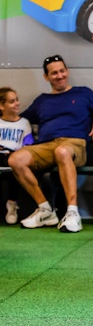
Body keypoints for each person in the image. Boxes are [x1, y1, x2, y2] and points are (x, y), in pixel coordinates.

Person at [8, 55, 93, 233]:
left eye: (62, 71)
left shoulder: (83, 93)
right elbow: (19, 120)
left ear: (67, 71)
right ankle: (45, 209)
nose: (59, 76)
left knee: (62, 151)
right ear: (46, 77)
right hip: (46, 146)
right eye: (54, 73)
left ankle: (72, 213)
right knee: (16, 160)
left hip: (74, 144)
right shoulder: (41, 100)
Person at [0, 87, 34, 224]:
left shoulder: (24, 123)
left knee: (16, 164)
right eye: (12, 101)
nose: (17, 104)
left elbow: (28, 144)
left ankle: (12, 204)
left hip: (14, 157)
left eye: (17, 100)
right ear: (2, 106)